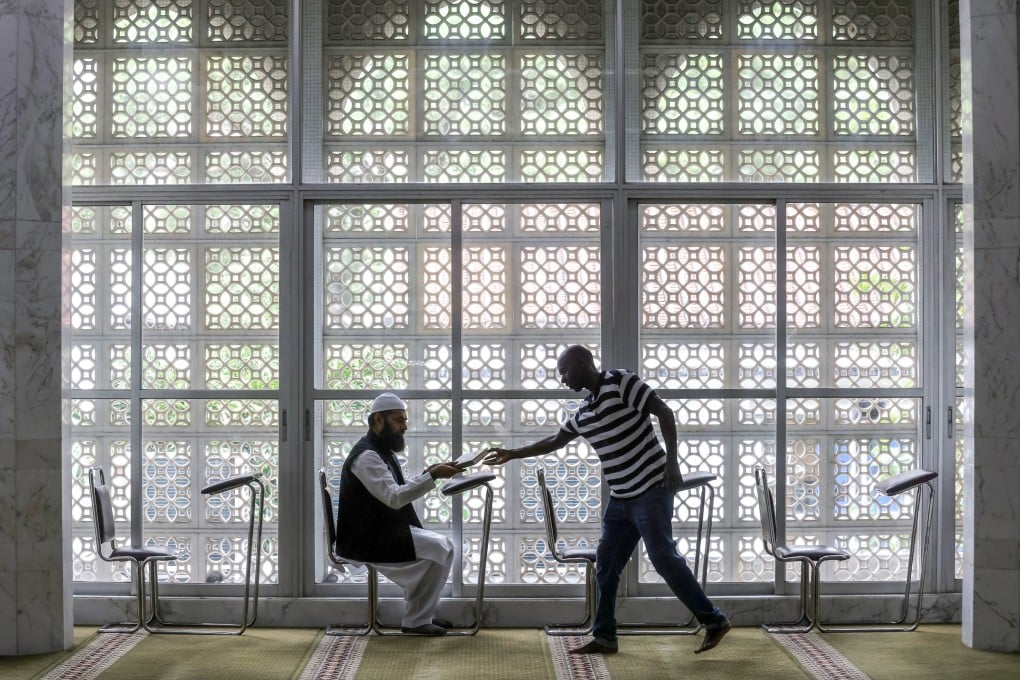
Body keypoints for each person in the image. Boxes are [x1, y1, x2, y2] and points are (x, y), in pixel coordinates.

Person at [483, 345, 731, 655]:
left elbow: (664, 412)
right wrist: (513, 453)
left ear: (583, 362)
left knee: (663, 557)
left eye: (565, 371)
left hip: (651, 489)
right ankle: (604, 637)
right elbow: (555, 441)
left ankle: (714, 620)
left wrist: (673, 463)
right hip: (620, 499)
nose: (562, 379)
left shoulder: (621, 381)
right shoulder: (584, 412)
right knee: (606, 566)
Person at [335, 392, 463, 635]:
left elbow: (395, 489)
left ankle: (420, 615)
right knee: (440, 549)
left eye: (404, 419)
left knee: (443, 548)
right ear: (378, 421)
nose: (404, 425)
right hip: (366, 539)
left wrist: (430, 471)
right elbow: (394, 498)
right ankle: (417, 619)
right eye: (398, 420)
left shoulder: (381, 452)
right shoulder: (367, 457)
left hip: (381, 530)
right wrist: (432, 476)